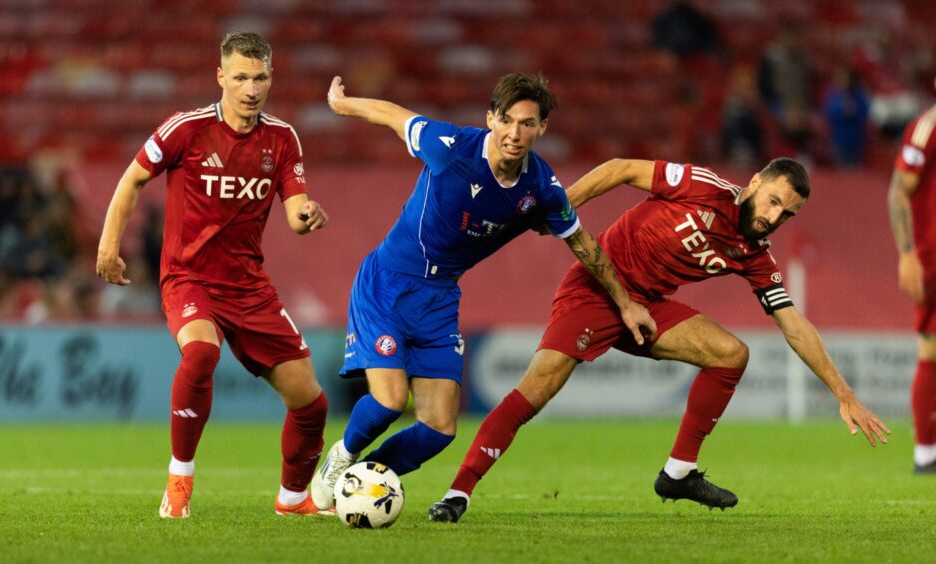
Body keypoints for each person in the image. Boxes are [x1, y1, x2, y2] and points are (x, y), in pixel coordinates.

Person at [428, 157, 892, 522]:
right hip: (595, 289)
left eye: (786, 214)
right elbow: (622, 169)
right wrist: (560, 206)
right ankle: (458, 492)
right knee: (537, 391)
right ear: (754, 183)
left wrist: (843, 394)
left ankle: (679, 472)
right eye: (773, 201)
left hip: (646, 310)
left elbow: (793, 323)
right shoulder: (702, 186)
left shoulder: (754, 254)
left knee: (730, 354)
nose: (774, 217)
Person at [310, 74, 657, 512]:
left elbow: (584, 243)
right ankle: (340, 458)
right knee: (390, 400)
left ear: (542, 128)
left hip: (439, 299)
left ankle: (365, 480)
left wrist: (625, 304)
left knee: (438, 430)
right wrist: (345, 106)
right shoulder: (450, 147)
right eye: (507, 120)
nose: (514, 133)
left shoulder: (542, 188)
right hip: (388, 283)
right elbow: (398, 117)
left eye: (527, 124)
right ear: (490, 118)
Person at [96, 32, 332, 518]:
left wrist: (308, 215)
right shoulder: (186, 128)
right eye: (241, 77)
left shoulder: (283, 138)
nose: (251, 87)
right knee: (202, 352)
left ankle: (292, 500)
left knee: (311, 404)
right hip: (189, 278)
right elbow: (132, 179)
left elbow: (295, 214)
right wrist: (108, 244)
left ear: (271, 78)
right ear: (220, 76)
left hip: (248, 288)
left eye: (260, 77)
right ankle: (179, 480)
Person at [887, 81, 936, 474]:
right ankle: (925, 453)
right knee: (930, 350)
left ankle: (926, 453)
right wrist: (907, 255)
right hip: (932, 256)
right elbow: (898, 192)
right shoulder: (928, 128)